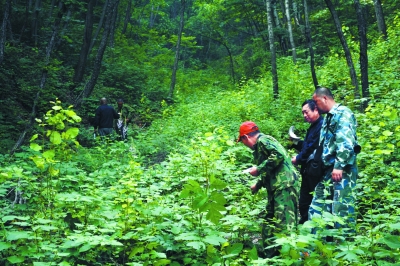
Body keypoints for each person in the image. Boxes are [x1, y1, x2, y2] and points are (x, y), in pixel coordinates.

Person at [238, 121, 298, 258]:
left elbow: (278, 156)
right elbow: (270, 169)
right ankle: (270, 256)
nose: (245, 145)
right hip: (276, 188)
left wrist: (258, 169)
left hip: (285, 186)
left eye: (242, 141)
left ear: (245, 138)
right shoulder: (260, 147)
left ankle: (288, 257)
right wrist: (258, 185)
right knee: (269, 221)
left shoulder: (264, 140)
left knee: (285, 223)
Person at [309, 87, 359, 237]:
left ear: (325, 98)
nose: (315, 106)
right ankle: (316, 245)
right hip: (328, 171)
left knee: (342, 209)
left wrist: (339, 165)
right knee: (317, 205)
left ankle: (345, 248)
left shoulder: (343, 113)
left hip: (342, 170)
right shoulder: (328, 118)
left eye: (316, 102)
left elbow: (346, 142)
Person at [290, 99, 323, 224]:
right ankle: (305, 226)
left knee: (314, 200)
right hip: (308, 170)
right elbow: (307, 146)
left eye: (306, 112)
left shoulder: (321, 126)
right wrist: (295, 143)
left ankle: (315, 229)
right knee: (304, 201)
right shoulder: (313, 127)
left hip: (316, 170)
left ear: (315, 109)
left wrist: (298, 158)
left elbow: (312, 148)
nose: (304, 115)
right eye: (303, 113)